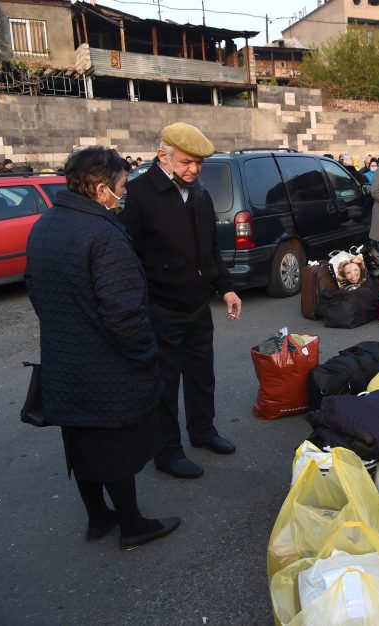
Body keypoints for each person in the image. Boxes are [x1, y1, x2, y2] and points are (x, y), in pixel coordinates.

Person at [25, 146, 179, 550]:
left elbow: (36, 293)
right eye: (121, 186)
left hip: (63, 363)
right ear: (99, 189)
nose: (124, 193)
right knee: (115, 449)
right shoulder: (102, 234)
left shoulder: (45, 225)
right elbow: (124, 312)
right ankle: (132, 525)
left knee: (80, 443)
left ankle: (98, 518)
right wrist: (146, 355)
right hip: (107, 368)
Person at [119, 122, 241, 479]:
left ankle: (203, 431)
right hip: (161, 308)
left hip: (197, 306)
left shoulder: (199, 193)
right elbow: (128, 258)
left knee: (202, 374)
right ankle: (167, 451)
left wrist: (227, 288)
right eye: (187, 162)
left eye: (199, 163)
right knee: (165, 384)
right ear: (164, 156)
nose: (194, 169)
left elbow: (210, 251)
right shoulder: (139, 194)